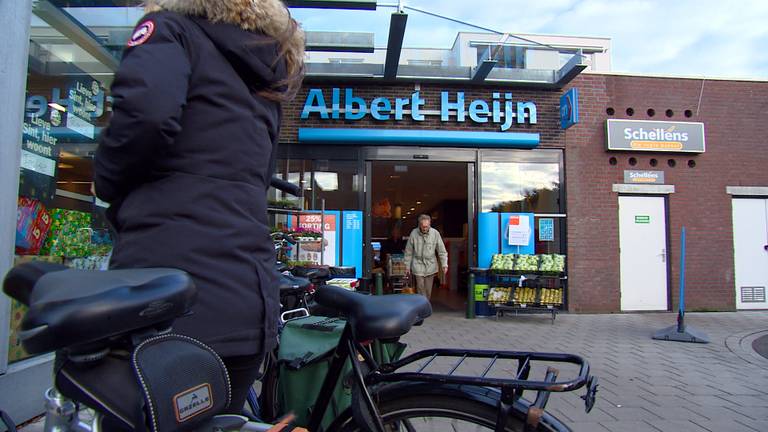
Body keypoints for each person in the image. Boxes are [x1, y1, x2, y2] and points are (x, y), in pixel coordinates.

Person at [92, 0, 304, 414]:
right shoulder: (265, 67)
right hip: (249, 303)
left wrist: (107, 181)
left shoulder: (169, 30)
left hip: (169, 298)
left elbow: (146, 117)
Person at [403, 214, 448, 299]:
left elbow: (442, 251)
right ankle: (422, 307)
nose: (425, 228)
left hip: (430, 264)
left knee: (428, 290)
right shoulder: (414, 233)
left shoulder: (435, 233)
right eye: (423, 227)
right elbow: (408, 252)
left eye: (427, 227)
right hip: (418, 263)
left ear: (430, 224)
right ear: (419, 225)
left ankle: (425, 304)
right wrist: (407, 266)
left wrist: (444, 264)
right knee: (420, 287)